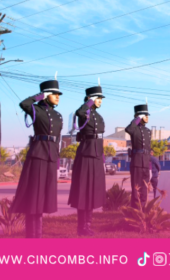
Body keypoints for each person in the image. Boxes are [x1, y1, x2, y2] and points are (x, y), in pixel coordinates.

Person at [11, 80, 64, 238]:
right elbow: (24, 104)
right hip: (38, 154)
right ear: (46, 95)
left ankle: (38, 234)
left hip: (50, 156)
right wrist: (39, 96)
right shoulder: (37, 109)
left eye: (58, 94)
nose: (57, 97)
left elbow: (58, 138)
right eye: (54, 94)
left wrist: (57, 157)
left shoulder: (58, 115)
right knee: (34, 194)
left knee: (45, 195)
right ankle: (31, 234)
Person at [68, 85, 107, 236]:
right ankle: (81, 227)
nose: (100, 101)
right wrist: (89, 102)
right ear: (90, 98)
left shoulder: (98, 116)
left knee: (92, 191)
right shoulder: (84, 112)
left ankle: (88, 225)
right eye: (98, 98)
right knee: (83, 191)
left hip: (97, 154)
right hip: (85, 153)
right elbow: (80, 112)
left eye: (101, 99)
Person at [125, 104, 152, 209]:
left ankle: (143, 212)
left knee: (144, 189)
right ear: (139, 116)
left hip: (145, 162)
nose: (147, 117)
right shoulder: (134, 129)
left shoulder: (148, 131)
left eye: (147, 115)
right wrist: (137, 118)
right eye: (145, 115)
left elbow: (148, 149)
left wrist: (149, 166)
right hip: (136, 162)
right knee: (136, 189)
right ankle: (135, 213)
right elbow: (128, 129)